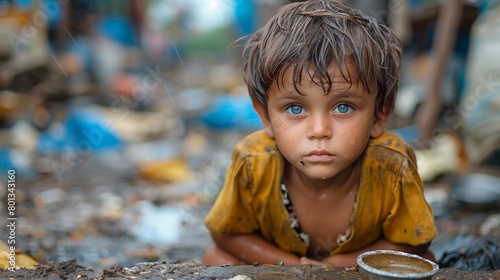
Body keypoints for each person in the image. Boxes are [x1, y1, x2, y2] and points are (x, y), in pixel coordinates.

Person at [202, 0, 437, 267]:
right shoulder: (253, 162)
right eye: (295, 108)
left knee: (425, 262)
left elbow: (415, 242)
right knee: (215, 259)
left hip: (354, 269)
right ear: (266, 116)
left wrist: (336, 268)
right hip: (284, 267)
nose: (319, 130)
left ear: (379, 115)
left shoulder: (391, 163)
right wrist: (296, 267)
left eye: (343, 106)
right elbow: (225, 234)